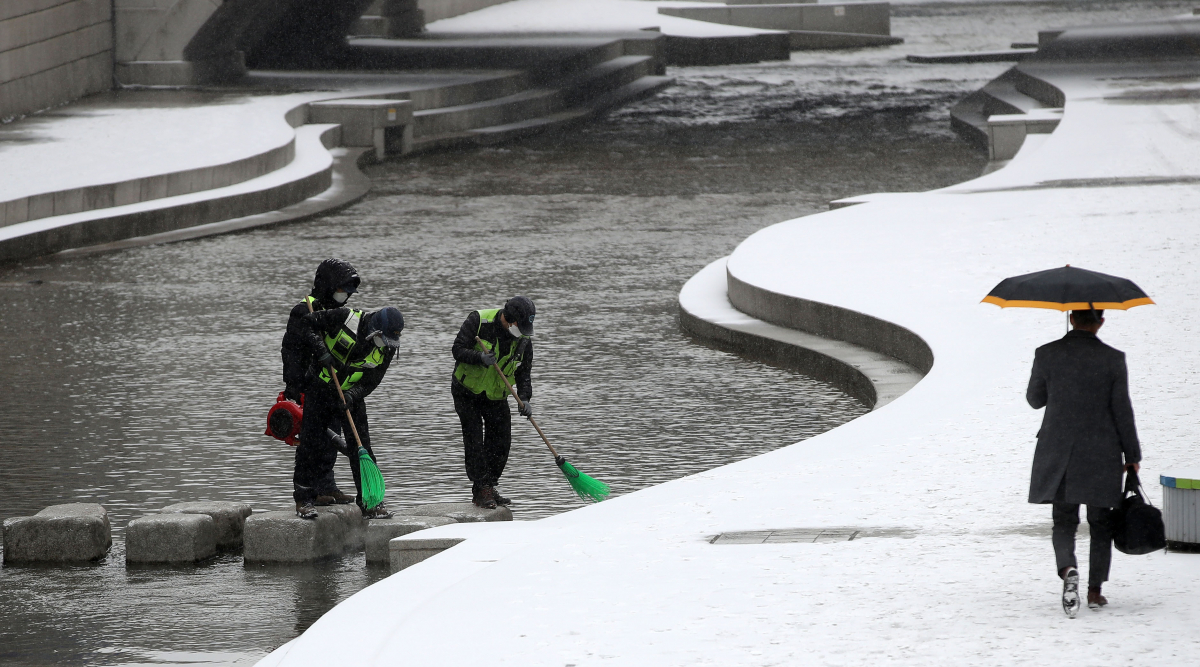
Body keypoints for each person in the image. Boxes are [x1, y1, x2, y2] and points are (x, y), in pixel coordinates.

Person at [1026, 308, 1141, 616]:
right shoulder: (1113, 359)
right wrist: (1132, 456)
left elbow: (1035, 399)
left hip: (1058, 450)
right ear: (1100, 322)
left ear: (1072, 318)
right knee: (1101, 524)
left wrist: (1060, 383)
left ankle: (1067, 569)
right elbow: (1122, 410)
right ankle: (1094, 591)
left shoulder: (1047, 353)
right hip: (1101, 451)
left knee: (1064, 521)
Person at [293, 304, 405, 519]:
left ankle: (369, 501)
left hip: (351, 396)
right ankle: (304, 498)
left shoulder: (388, 347)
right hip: (320, 388)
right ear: (375, 328)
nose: (386, 344)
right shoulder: (345, 317)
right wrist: (321, 351)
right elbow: (306, 323)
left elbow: (373, 380)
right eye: (384, 338)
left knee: (361, 447)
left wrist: (353, 395)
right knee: (311, 443)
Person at [281, 259, 361, 507]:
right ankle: (306, 491)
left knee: (331, 437)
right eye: (341, 289)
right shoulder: (304, 310)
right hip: (308, 385)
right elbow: (291, 350)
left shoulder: (340, 314)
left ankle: (326, 486)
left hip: (333, 385)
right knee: (311, 441)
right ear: (328, 285)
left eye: (348, 291)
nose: (345, 295)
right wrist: (294, 385)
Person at [451, 296, 535, 509]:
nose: (522, 330)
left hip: (496, 395)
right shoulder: (479, 321)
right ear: (509, 318)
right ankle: (481, 488)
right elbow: (457, 350)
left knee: (502, 441)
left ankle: (488, 485)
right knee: (475, 440)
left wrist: (524, 398)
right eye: (520, 325)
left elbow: (524, 373)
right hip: (467, 391)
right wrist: (479, 358)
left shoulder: (524, 340)